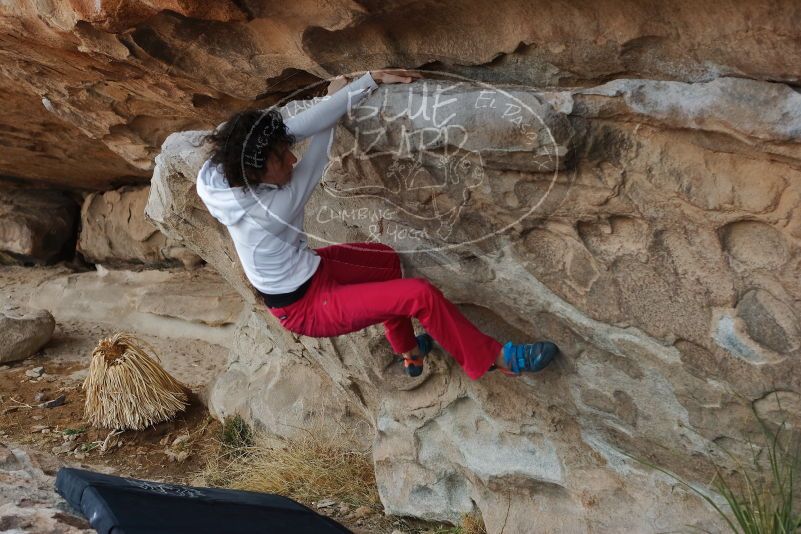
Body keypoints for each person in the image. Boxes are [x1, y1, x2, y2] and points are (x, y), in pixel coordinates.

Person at [196, 68, 559, 380]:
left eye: (285, 150)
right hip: (306, 308)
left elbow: (296, 129)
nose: (291, 159)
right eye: (281, 158)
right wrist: (340, 96)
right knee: (419, 295)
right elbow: (320, 145)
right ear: (256, 173)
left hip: (310, 271)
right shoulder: (267, 211)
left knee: (385, 260)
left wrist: (369, 80)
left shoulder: (218, 171)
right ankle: (494, 358)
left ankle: (410, 352)